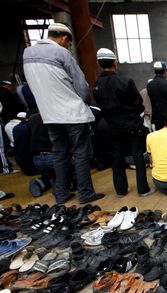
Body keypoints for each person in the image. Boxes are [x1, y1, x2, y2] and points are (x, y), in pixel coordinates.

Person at [23, 22, 104, 204]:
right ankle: (86, 193)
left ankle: (61, 193)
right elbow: (82, 86)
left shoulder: (28, 53)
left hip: (49, 114)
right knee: (81, 153)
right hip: (72, 113)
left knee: (59, 153)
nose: (68, 46)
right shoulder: (61, 53)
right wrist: (84, 102)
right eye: (68, 43)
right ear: (64, 38)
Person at [93, 48, 154, 198]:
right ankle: (143, 189)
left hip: (111, 126)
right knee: (138, 156)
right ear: (115, 62)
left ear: (98, 63)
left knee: (116, 157)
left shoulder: (96, 85)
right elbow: (138, 102)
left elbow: (100, 105)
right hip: (131, 124)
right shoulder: (125, 81)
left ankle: (121, 190)